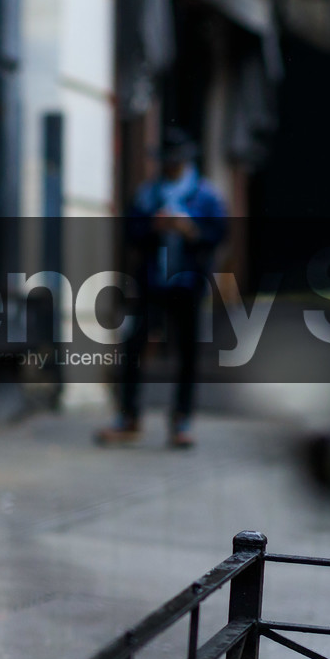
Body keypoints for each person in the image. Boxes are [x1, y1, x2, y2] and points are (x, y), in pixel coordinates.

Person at [96, 128, 226, 450]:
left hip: (188, 283)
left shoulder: (205, 195)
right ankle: (129, 416)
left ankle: (182, 419)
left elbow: (219, 235)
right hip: (152, 282)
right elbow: (131, 232)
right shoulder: (148, 194)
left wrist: (190, 231)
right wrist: (155, 227)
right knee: (134, 347)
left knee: (187, 352)